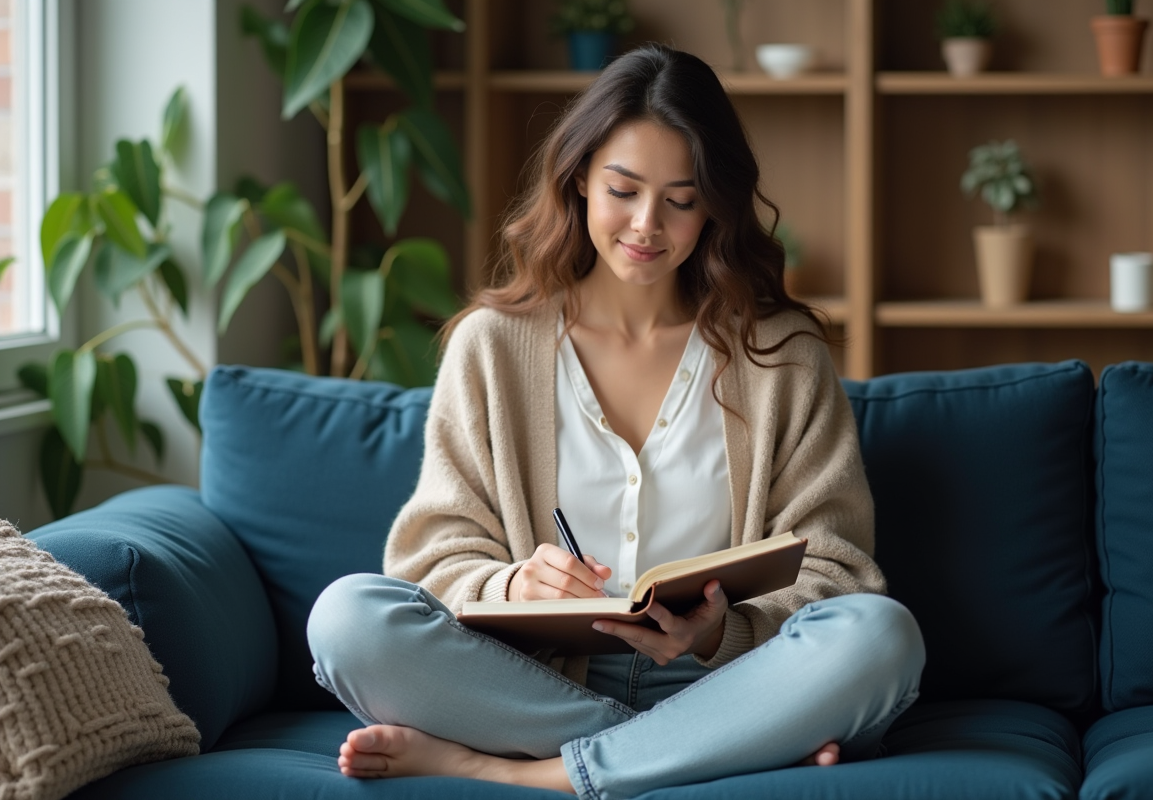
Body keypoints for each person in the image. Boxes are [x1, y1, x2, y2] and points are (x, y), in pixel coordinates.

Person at [307, 43, 925, 799]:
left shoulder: (782, 354)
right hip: (533, 687)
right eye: (622, 189)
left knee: (883, 638)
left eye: (681, 198)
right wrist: (513, 587)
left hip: (730, 679)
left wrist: (713, 634)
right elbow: (428, 559)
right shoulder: (493, 346)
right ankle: (720, 752)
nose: (646, 224)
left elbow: (838, 571)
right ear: (578, 183)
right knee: (345, 618)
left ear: (716, 205)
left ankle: (528, 773)